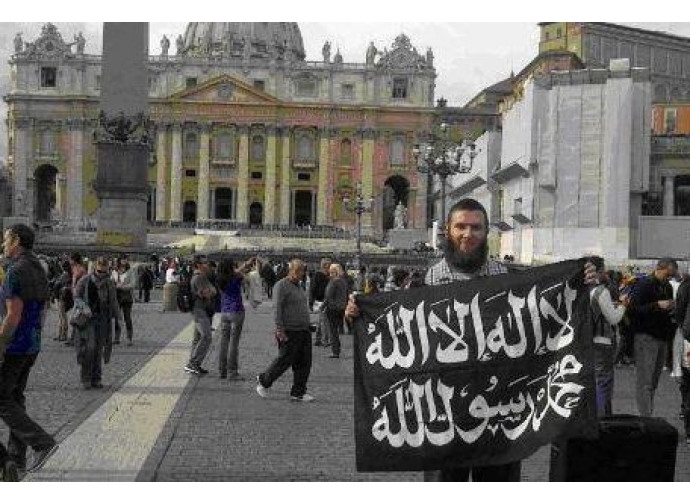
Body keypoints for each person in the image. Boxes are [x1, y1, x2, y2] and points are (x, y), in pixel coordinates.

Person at [345, 198, 596, 482]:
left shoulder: (514, 285)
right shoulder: (423, 285)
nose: (468, 234)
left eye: (476, 228)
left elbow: (545, 317)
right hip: (444, 421)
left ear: (486, 232)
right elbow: (395, 338)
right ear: (448, 232)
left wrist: (579, 280)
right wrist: (357, 313)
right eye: (460, 227)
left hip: (501, 420)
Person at [0, 223, 58, 475]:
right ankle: (17, 457)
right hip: (32, 344)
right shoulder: (38, 268)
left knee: (1, 399)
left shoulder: (15, 271)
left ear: (16, 241)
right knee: (15, 397)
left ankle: (42, 443)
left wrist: (0, 344)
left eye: (6, 239)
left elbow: (12, 315)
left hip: (15, 345)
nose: (3, 244)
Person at [256, 259, 314, 402]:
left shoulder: (299, 286)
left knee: (304, 363)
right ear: (292, 270)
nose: (302, 274)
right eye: (299, 271)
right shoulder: (281, 286)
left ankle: (298, 392)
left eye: (303, 271)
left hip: (303, 330)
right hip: (289, 330)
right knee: (284, 360)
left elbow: (300, 307)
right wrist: (279, 329)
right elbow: (277, 309)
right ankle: (264, 381)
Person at [628, 258, 677, 417]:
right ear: (660, 269)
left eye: (670, 276)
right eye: (668, 275)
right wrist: (657, 305)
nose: (669, 278)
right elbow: (633, 310)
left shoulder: (667, 286)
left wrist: (671, 309)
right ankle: (645, 417)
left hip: (662, 337)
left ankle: (647, 414)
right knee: (645, 382)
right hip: (646, 337)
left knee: (653, 381)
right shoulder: (645, 284)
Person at [75, 256, 121, 389]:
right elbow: (76, 296)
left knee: (99, 350)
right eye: (100, 271)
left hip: (103, 319)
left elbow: (113, 301)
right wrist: (84, 307)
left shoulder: (109, 282)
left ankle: (96, 378)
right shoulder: (86, 280)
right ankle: (86, 378)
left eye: (104, 272)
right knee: (89, 349)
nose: (102, 274)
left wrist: (118, 317)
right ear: (96, 268)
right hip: (88, 319)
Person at [589, 257, 627, 416]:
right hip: (603, 341)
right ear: (598, 271)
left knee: (593, 381)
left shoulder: (584, 289)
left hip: (588, 340)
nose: (606, 272)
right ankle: (602, 419)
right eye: (603, 269)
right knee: (603, 382)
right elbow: (613, 318)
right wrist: (623, 305)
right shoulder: (601, 291)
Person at [217, 257, 254, 380]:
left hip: (224, 312)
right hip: (236, 311)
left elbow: (237, 271)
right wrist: (248, 266)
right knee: (234, 343)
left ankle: (222, 370)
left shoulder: (220, 279)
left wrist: (245, 265)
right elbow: (246, 278)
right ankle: (232, 372)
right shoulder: (236, 277)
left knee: (224, 342)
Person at [184, 256, 216, 375]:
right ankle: (193, 363)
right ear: (198, 265)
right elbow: (210, 293)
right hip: (199, 310)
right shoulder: (199, 278)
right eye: (204, 263)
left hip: (200, 309)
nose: (207, 264)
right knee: (207, 336)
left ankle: (195, 364)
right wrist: (210, 292)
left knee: (197, 338)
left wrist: (210, 291)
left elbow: (213, 290)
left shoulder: (203, 277)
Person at [324, 263, 348, 359]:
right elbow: (346, 294)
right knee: (337, 329)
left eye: (331, 271)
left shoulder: (333, 282)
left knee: (333, 331)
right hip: (341, 308)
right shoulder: (343, 281)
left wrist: (322, 306)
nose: (330, 273)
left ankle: (335, 351)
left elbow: (328, 296)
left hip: (332, 308)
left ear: (334, 272)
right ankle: (337, 350)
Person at [112, 259, 136, 346]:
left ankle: (129, 338)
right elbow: (111, 282)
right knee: (117, 318)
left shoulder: (130, 272)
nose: (123, 264)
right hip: (117, 297)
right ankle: (117, 337)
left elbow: (133, 284)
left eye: (125, 261)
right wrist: (114, 285)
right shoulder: (114, 272)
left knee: (127, 317)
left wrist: (123, 287)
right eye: (122, 262)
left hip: (126, 297)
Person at [310, 258, 331, 347]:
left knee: (320, 321)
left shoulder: (326, 276)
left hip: (321, 300)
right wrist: (311, 302)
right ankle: (325, 340)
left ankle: (317, 339)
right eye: (329, 266)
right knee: (324, 321)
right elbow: (313, 289)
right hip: (321, 300)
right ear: (325, 266)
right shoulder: (319, 276)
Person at [53, 260, 73, 343]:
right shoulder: (68, 274)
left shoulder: (65, 274)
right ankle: (61, 334)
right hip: (63, 296)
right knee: (62, 316)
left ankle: (63, 334)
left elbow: (59, 283)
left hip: (62, 297)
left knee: (62, 317)